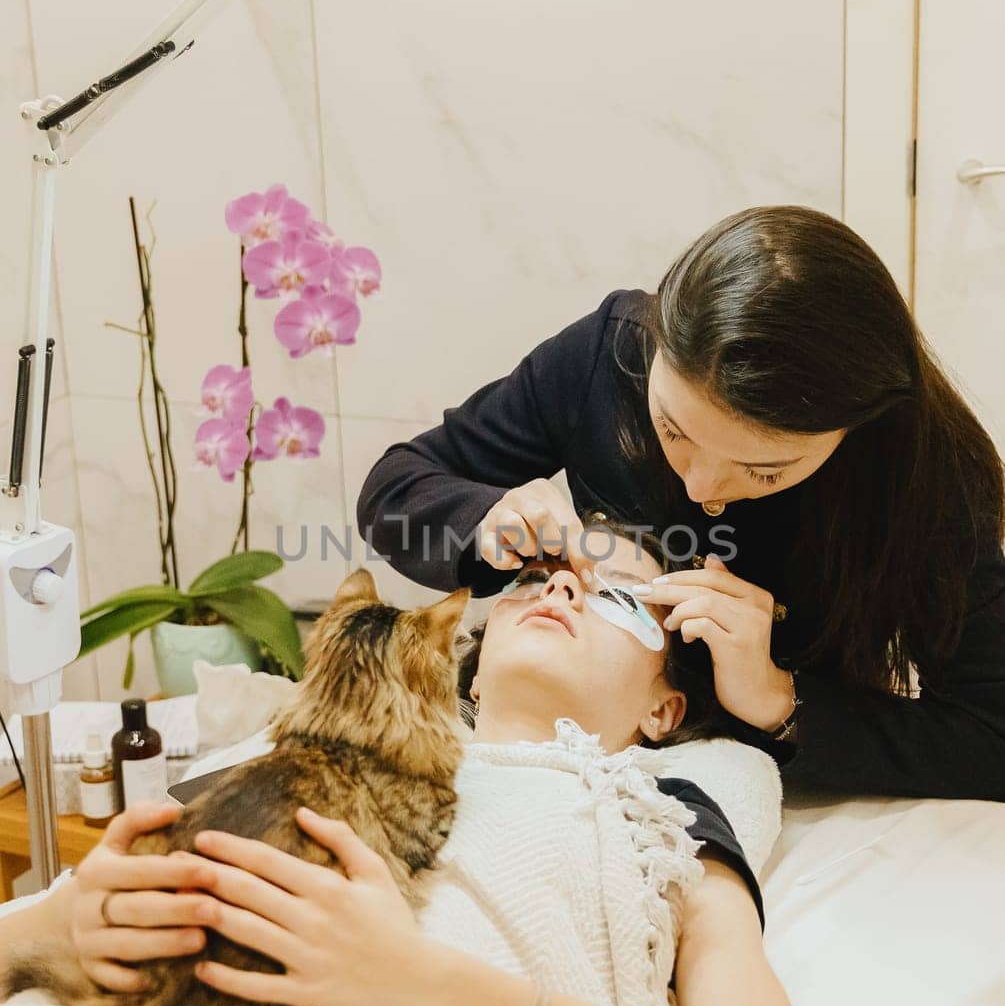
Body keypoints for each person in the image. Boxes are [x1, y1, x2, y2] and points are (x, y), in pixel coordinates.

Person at [0, 527, 806, 1006]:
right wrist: (71, 916)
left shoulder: (660, 814)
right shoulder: (283, 754)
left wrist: (414, 983)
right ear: (466, 668)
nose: (563, 585)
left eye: (619, 597)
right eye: (542, 574)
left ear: (664, 712)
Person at [357, 205, 1005, 801]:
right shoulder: (604, 359)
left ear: (852, 431)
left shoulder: (929, 485)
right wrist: (481, 519)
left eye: (762, 469)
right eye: (672, 431)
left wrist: (780, 699)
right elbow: (395, 486)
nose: (701, 489)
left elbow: (991, 735)